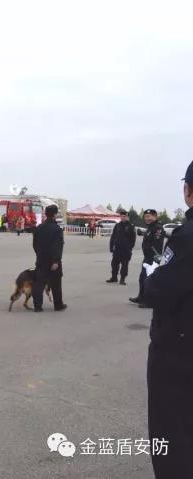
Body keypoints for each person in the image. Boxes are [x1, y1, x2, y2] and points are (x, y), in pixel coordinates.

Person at [145, 160, 193, 478]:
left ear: (188, 191)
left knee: (172, 434)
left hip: (180, 350)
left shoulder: (186, 236)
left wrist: (152, 277)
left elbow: (159, 289)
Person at [32, 204, 67, 312]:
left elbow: (35, 244)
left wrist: (39, 254)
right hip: (53, 262)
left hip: (41, 260)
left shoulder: (39, 228)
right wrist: (56, 260)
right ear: (55, 214)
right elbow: (58, 246)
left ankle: (37, 306)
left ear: (46, 214)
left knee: (39, 283)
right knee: (56, 284)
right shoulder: (57, 229)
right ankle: (58, 305)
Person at [129, 209, 165, 309]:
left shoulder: (158, 228)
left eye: (149, 216)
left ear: (155, 217)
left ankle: (149, 301)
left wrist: (155, 260)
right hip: (147, 257)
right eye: (145, 217)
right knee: (142, 278)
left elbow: (157, 245)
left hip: (152, 258)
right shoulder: (150, 228)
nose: (147, 219)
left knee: (149, 280)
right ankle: (141, 297)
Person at [106, 211, 136, 285]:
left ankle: (122, 279)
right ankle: (114, 277)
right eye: (122, 216)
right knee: (114, 264)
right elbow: (113, 237)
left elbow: (133, 239)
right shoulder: (117, 225)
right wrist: (111, 246)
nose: (123, 217)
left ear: (127, 217)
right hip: (117, 249)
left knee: (124, 265)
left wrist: (129, 248)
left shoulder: (131, 226)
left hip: (126, 250)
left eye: (124, 216)